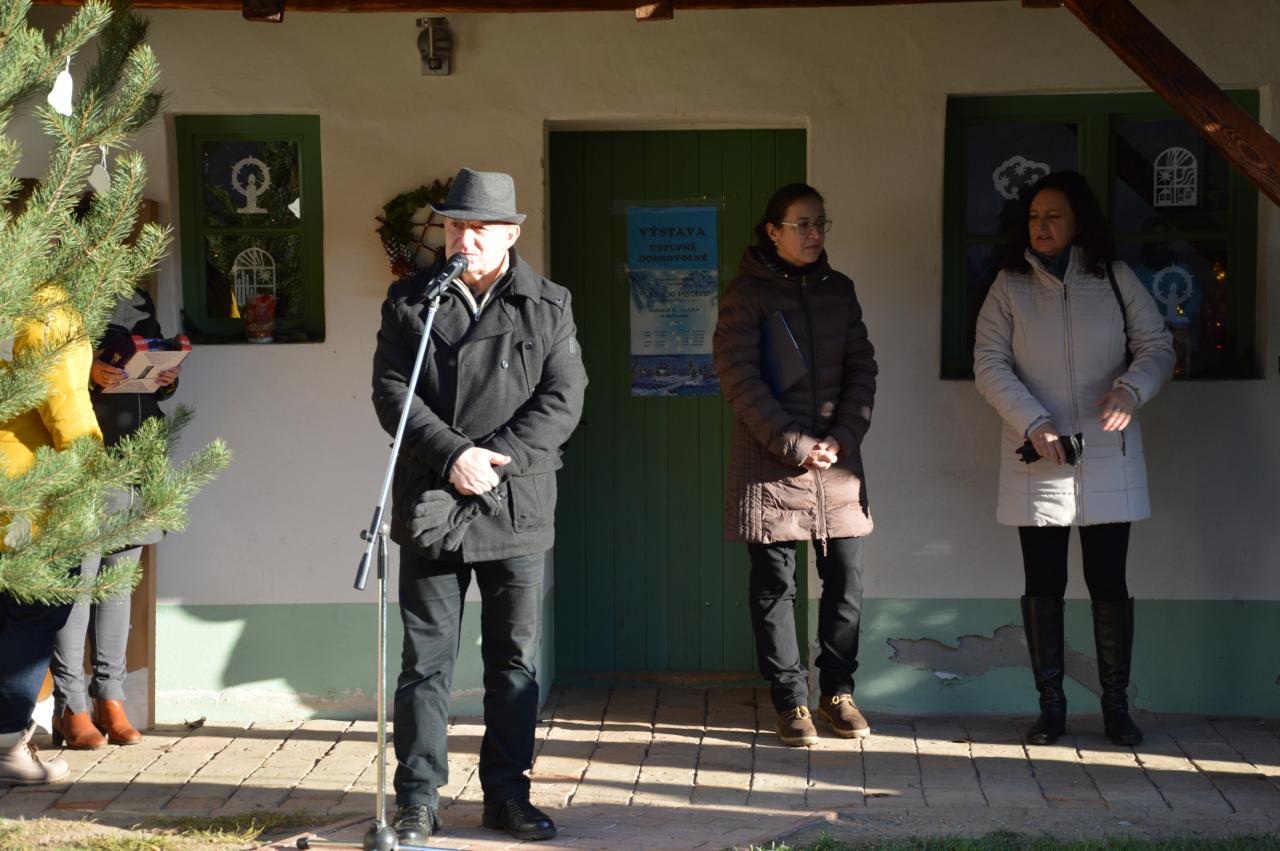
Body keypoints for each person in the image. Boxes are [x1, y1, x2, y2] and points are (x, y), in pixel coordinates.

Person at [371, 169, 587, 844]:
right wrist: (452, 456)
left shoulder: (548, 304)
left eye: (480, 228)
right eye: (455, 225)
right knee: (425, 663)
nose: (464, 238)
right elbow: (392, 392)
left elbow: (564, 398)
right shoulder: (411, 300)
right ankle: (417, 799)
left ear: (510, 236)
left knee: (512, 663)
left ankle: (507, 795)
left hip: (515, 502)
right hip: (433, 499)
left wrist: (491, 459)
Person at [973, 170, 1174, 747]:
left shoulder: (1113, 277)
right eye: (1034, 216)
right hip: (1038, 453)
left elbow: (1157, 346)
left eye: (1054, 215)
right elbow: (988, 361)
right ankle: (1052, 708)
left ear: (1078, 221)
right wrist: (1033, 421)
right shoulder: (1009, 285)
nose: (1042, 226)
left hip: (1107, 451)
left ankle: (1116, 707)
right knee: (1044, 583)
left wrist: (1131, 390)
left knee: (1109, 582)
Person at [712, 183, 877, 748]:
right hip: (771, 462)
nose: (813, 234)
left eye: (820, 223)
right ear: (772, 231)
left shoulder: (840, 291)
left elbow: (863, 369)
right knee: (775, 584)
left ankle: (838, 692)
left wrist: (843, 436)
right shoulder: (746, 294)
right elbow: (738, 376)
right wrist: (794, 444)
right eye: (801, 224)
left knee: (846, 580)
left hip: (837, 463)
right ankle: (790, 699)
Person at [47, 287, 180, 750]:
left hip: (136, 461)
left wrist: (166, 377)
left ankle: (111, 700)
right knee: (77, 589)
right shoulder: (60, 297)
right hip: (83, 461)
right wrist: (86, 373)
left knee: (117, 588)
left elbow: (149, 365)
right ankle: (71, 707)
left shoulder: (140, 298)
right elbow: (35, 374)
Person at [1, 287, 103, 785]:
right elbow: (65, 404)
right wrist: (93, 470)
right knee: (35, 613)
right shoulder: (46, 305)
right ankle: (6, 743)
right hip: (30, 487)